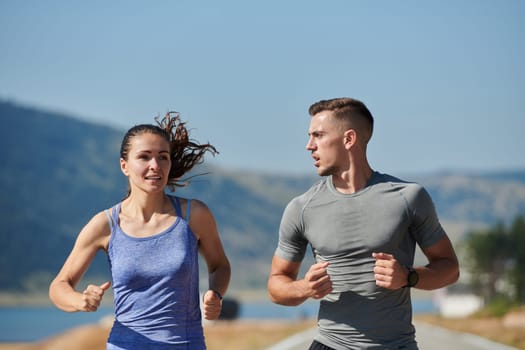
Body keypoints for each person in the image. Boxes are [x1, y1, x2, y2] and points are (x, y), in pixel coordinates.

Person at [267, 97, 459, 350]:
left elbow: (450, 268)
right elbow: (276, 285)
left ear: (349, 139)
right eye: (309, 136)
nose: (309, 146)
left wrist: (408, 277)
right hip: (329, 344)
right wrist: (304, 287)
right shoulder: (302, 208)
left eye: (318, 135)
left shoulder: (408, 197)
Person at [49, 111, 231, 349]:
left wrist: (215, 294)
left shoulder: (194, 215)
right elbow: (59, 286)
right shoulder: (105, 224)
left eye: (163, 157)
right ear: (124, 166)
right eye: (144, 157)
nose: (155, 166)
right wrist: (80, 300)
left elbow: (219, 266)